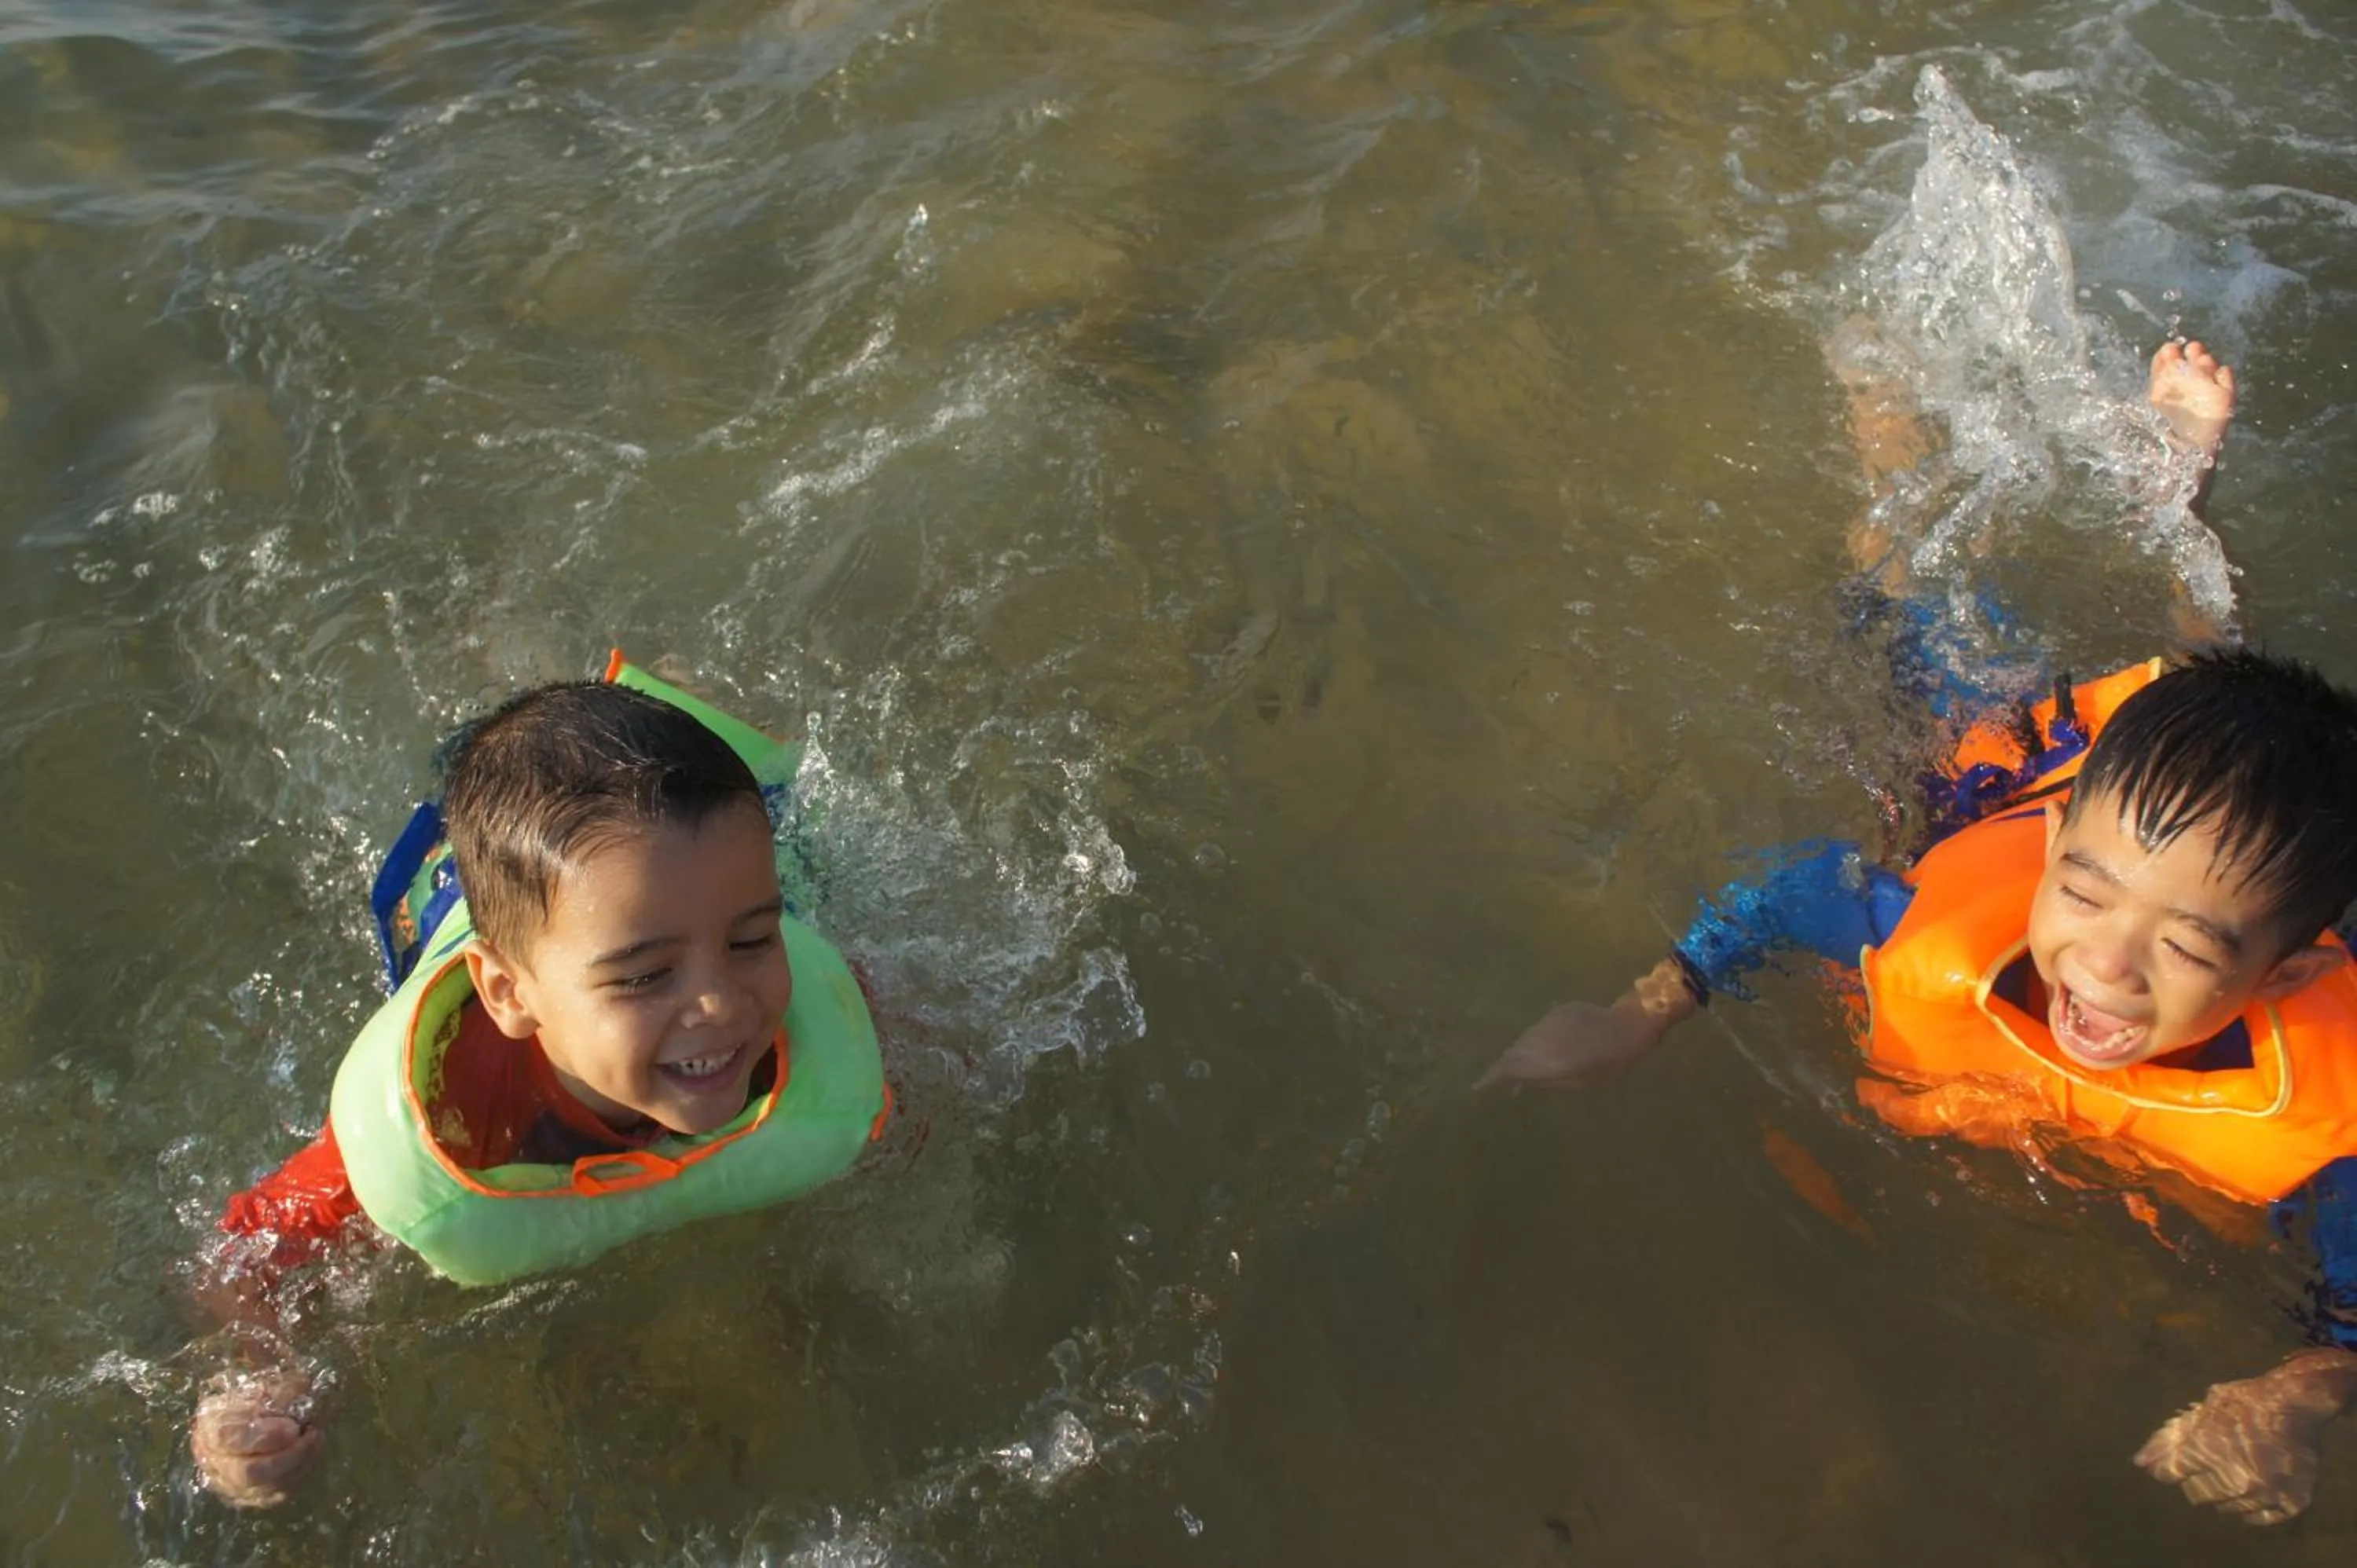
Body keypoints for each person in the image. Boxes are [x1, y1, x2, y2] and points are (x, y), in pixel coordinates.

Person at [1480, 341, 2357, 1527]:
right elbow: (1796, 890)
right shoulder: (1947, 934)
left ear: (2292, 972)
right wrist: (1640, 1014)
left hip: (2166, 825)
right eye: (2085, 901)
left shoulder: (2324, 1135)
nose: (2102, 966)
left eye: (2190, 950)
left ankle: (2183, 493)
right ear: (2053, 866)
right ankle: (1897, 434)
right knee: (1905, 592)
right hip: (2019, 776)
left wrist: (2299, 1395)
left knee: (2223, 693)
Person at [186, 668, 886, 1507]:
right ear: (510, 994)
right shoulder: (449, 1114)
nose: (722, 1004)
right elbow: (244, 1251)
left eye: (752, 939)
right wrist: (260, 1385)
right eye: (646, 975)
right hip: (465, 889)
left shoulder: (816, 1029)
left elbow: (887, 1085)